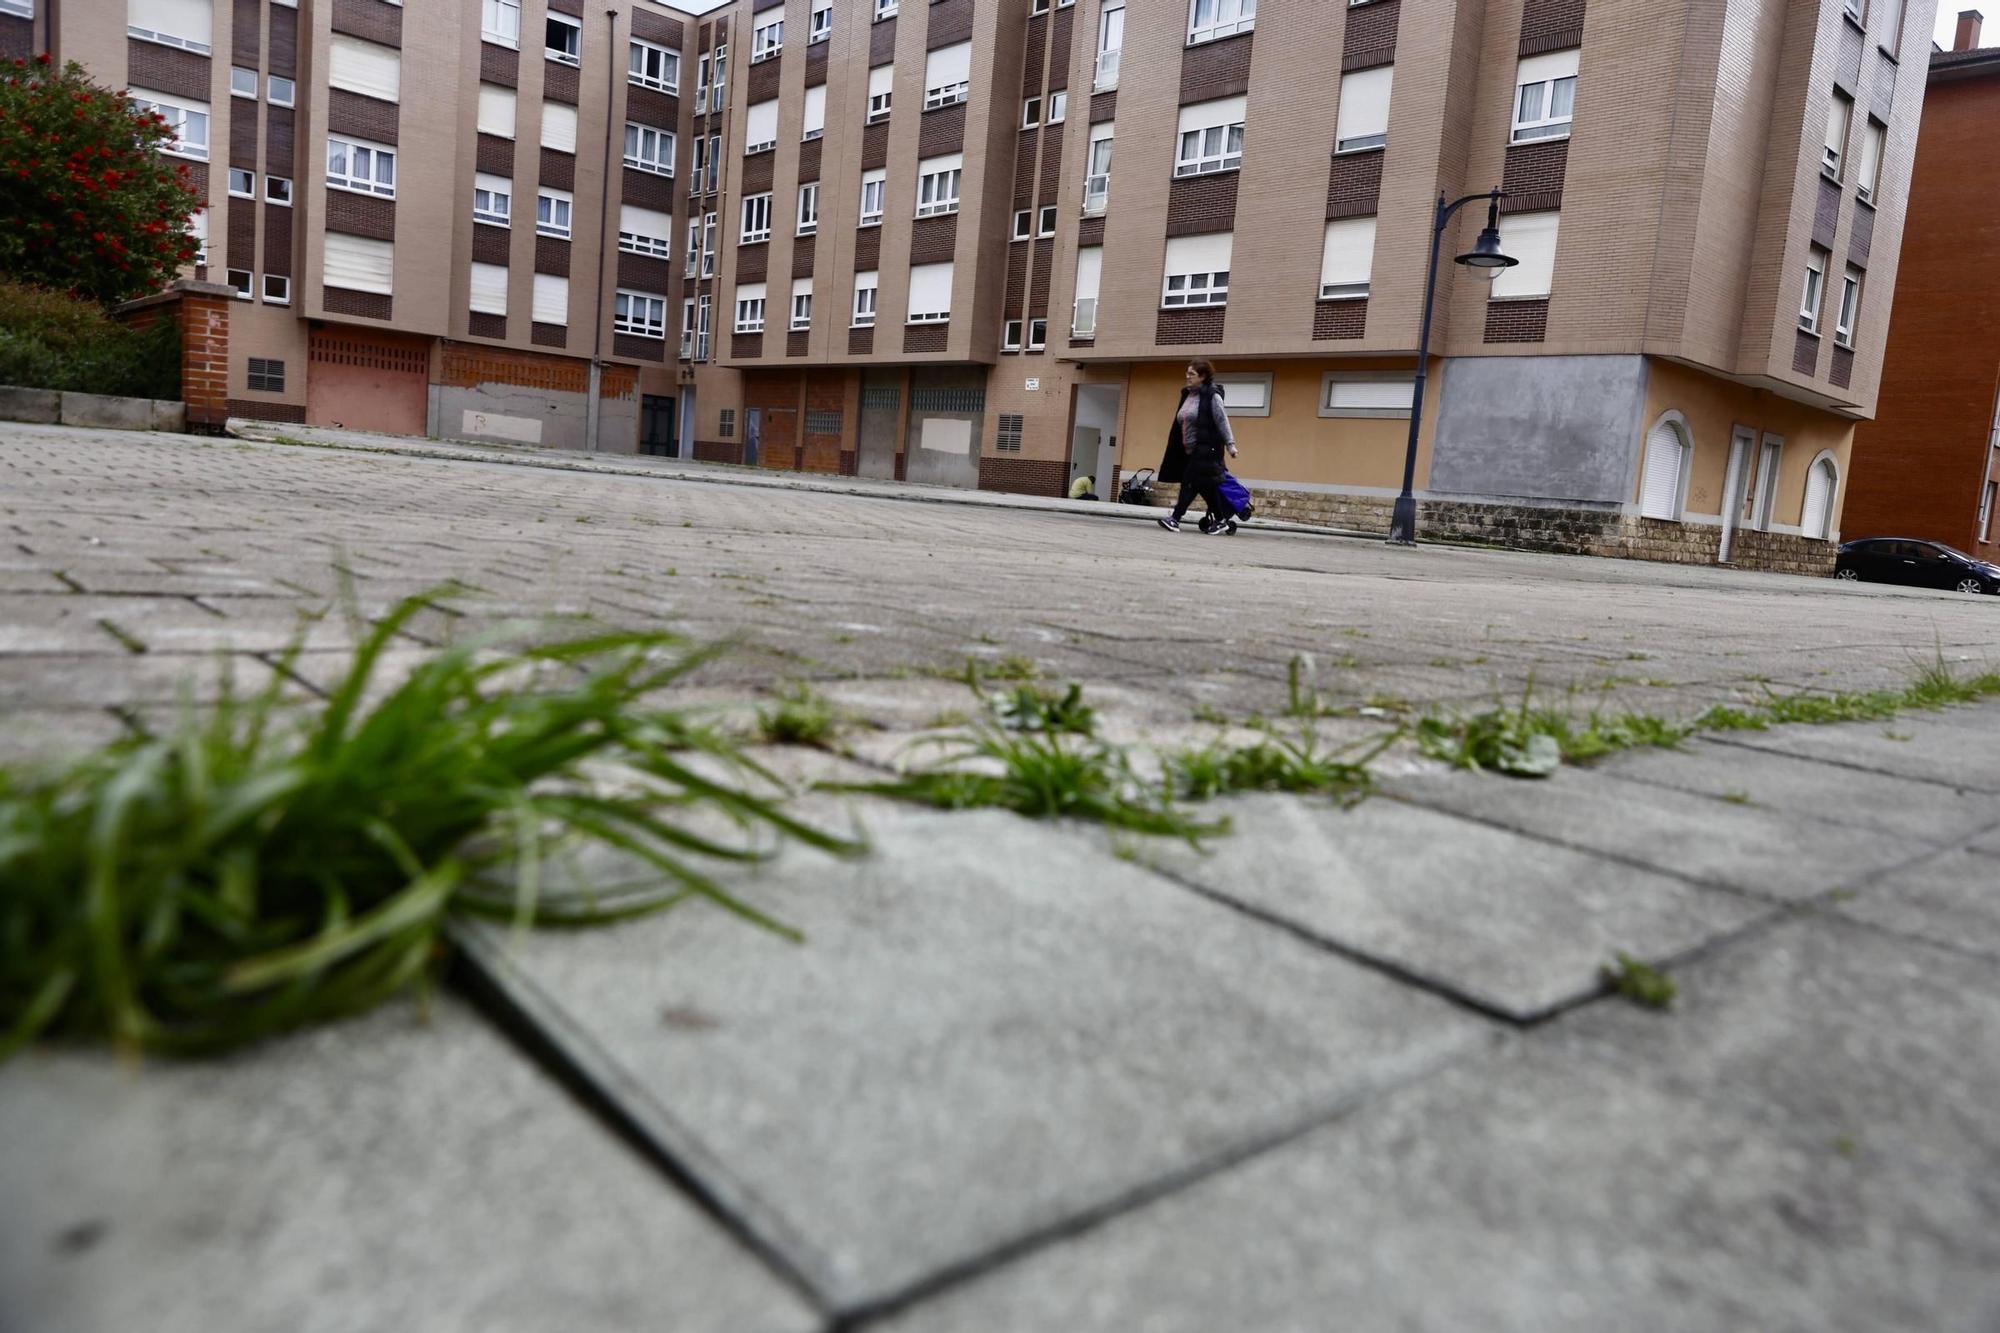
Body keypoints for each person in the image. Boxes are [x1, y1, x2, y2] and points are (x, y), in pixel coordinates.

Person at [1156, 360, 1238, 534]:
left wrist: (1231, 445)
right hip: (1190, 450)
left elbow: (1222, 420)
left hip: (1207, 449)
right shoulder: (1187, 395)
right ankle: (1221, 519)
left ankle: (1175, 519)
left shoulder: (1212, 395)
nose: (1187, 376)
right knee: (1205, 486)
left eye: (1192, 374)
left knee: (1189, 483)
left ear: (1203, 376)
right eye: (1187, 373)